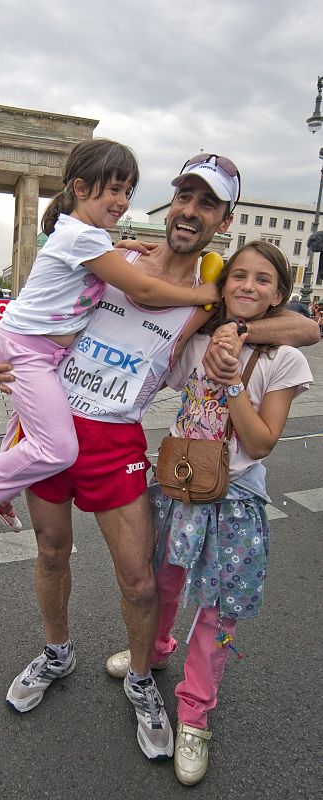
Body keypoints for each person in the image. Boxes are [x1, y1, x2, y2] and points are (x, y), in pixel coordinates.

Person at [0, 154, 319, 760]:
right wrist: (1, 353)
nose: (190, 211)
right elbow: (41, 307)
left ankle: (142, 679)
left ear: (223, 218)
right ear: (172, 201)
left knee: (140, 582)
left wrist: (232, 331)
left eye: (207, 203)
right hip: (53, 417)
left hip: (116, 440)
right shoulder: (119, 257)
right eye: (184, 196)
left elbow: (304, 330)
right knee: (52, 551)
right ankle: (57, 653)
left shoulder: (210, 300)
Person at [107, 241, 312, 785]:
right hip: (177, 487)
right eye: (238, 276)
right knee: (164, 583)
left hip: (235, 500)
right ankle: (151, 648)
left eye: (263, 280)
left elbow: (263, 442)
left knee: (220, 613)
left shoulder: (285, 359)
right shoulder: (199, 342)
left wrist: (234, 382)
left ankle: (195, 713)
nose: (247, 286)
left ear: (280, 296)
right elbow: (149, 345)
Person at [0, 139, 220, 536]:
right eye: (113, 189)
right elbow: (144, 290)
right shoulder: (84, 238)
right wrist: (200, 295)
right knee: (58, 448)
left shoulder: (87, 236)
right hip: (31, 350)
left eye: (128, 191)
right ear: (79, 188)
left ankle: (0, 484)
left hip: (46, 357)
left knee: (38, 435)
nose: (122, 201)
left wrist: (121, 245)